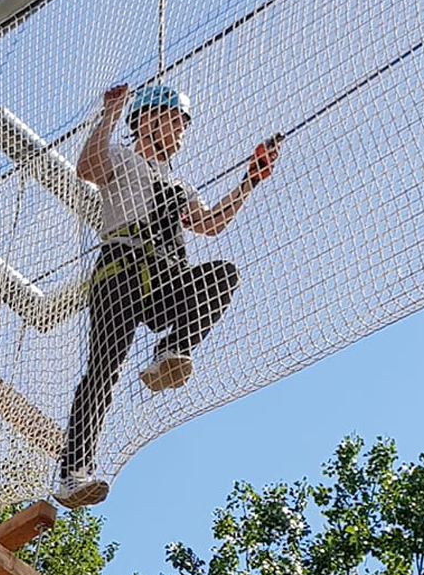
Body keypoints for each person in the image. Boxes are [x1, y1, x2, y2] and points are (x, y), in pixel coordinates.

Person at [56, 83, 279, 509]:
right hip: (120, 271)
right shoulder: (122, 158)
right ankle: (74, 472)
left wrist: (250, 179)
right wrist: (110, 115)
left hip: (165, 278)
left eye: (181, 123)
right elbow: (86, 167)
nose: (179, 130)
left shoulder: (179, 185)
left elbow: (211, 223)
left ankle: (170, 352)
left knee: (222, 275)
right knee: (104, 370)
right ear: (147, 121)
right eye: (173, 120)